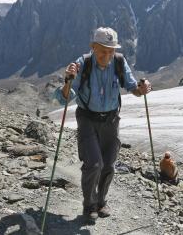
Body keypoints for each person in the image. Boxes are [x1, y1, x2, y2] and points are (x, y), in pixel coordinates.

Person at [54, 27, 152, 221]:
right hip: (87, 118)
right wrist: (68, 80)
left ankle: (101, 201)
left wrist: (143, 89)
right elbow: (64, 98)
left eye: (111, 50)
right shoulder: (83, 64)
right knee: (94, 163)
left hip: (111, 119)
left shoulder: (119, 62)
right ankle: (89, 205)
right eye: (103, 50)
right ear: (93, 47)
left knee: (108, 164)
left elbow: (133, 87)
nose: (107, 55)